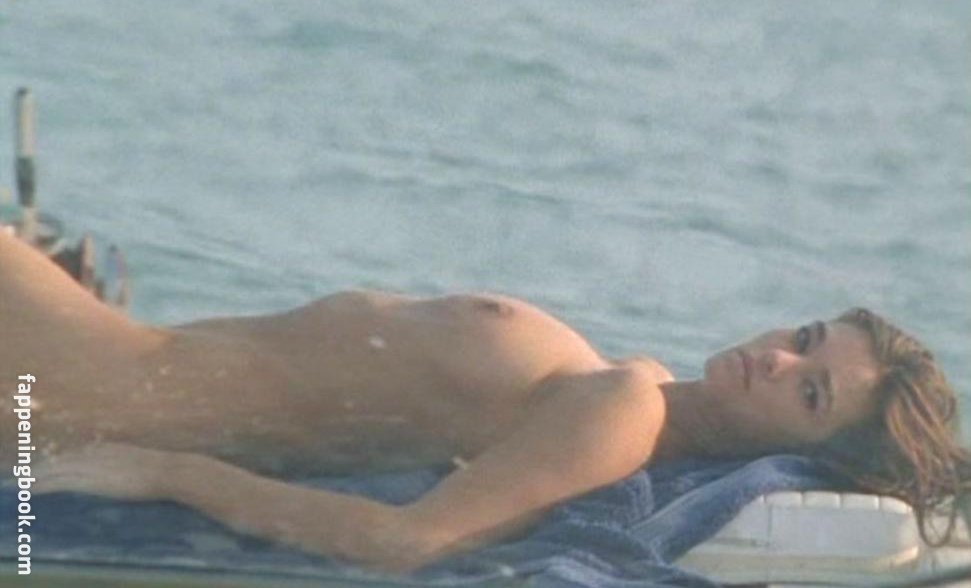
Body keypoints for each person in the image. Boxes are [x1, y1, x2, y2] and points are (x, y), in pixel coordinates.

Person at [1, 229, 967, 573]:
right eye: (804, 338)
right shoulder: (630, 387)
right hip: (86, 361)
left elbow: (409, 541)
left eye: (807, 391)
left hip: (75, 390)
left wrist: (170, 475)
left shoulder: (622, 415)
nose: (775, 357)